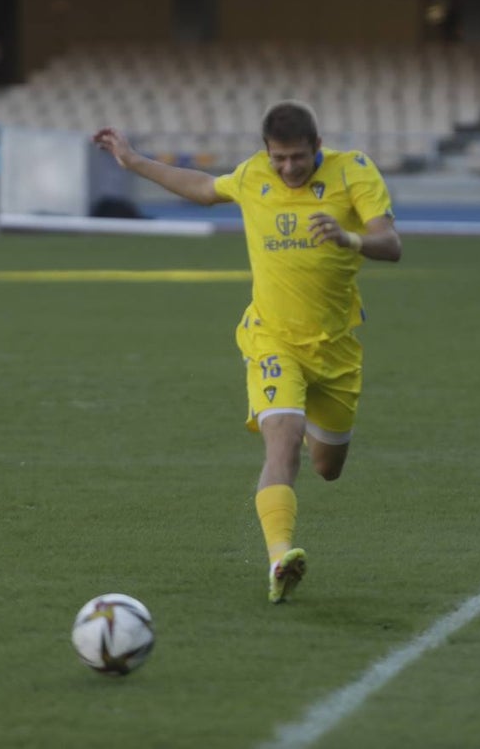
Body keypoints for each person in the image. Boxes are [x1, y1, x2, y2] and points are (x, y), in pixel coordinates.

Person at [93, 101, 402, 604]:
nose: (287, 169)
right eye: (278, 158)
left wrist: (348, 238)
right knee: (282, 439)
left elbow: (390, 242)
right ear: (266, 153)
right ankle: (281, 557)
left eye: (298, 158)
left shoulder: (354, 171)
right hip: (271, 338)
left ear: (318, 148)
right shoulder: (253, 176)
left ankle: (301, 423)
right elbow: (201, 187)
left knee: (327, 466)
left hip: (336, 347)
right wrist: (134, 161)